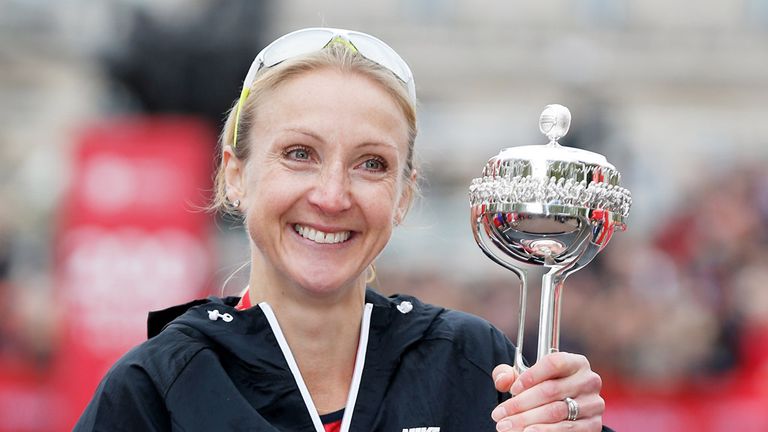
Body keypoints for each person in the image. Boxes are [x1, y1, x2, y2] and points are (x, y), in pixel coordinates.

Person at [75, 27, 611, 432]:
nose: (332, 197)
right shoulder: (157, 388)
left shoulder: (473, 365)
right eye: (299, 154)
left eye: (371, 164)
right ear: (234, 175)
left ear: (402, 196)